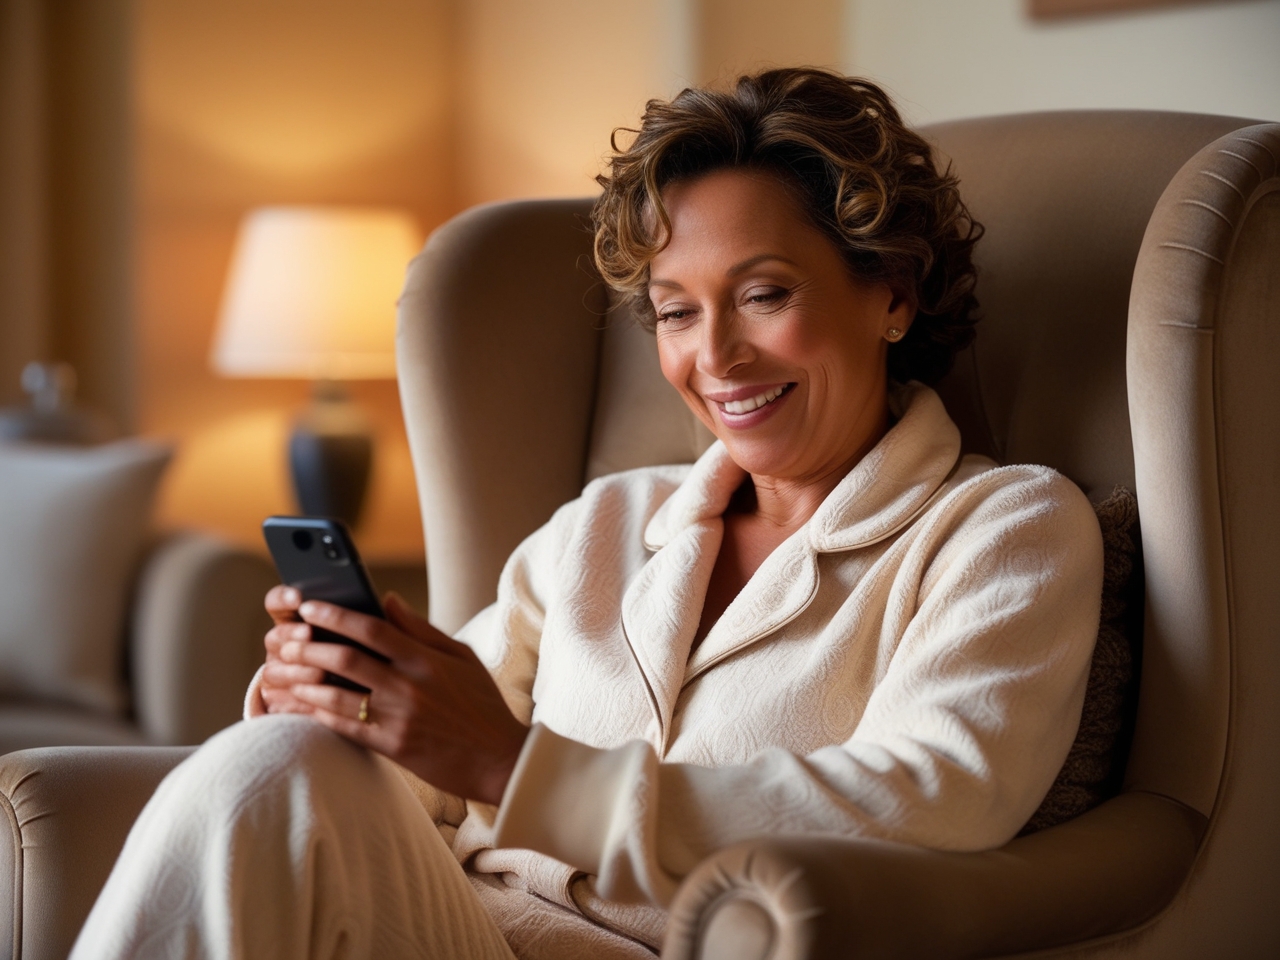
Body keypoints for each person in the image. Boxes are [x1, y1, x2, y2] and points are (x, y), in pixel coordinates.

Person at [72, 68, 1102, 960]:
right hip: (460, 927)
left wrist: (514, 769)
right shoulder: (606, 524)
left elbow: (929, 801)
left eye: (763, 295)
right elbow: (423, 772)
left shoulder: (1002, 530)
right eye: (674, 311)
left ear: (891, 293)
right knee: (272, 760)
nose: (715, 359)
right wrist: (340, 701)